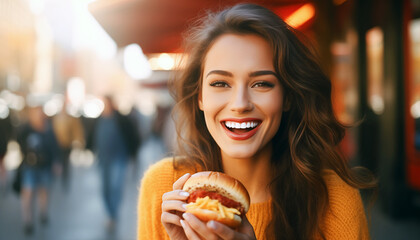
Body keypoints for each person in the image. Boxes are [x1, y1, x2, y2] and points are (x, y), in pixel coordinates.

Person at [137, 3, 376, 240]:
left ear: (288, 97)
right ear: (200, 96)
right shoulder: (164, 187)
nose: (240, 104)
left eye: (262, 84)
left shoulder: (335, 198)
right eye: (220, 83)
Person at [91, 95, 140, 232]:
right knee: (105, 189)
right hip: (103, 160)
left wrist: (133, 154)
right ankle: (110, 212)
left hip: (119, 158)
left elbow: (132, 135)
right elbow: (92, 136)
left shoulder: (121, 119)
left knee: (116, 187)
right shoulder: (99, 120)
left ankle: (113, 214)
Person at [17, 106, 60, 235]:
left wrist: (56, 162)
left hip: (44, 166)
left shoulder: (48, 129)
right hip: (30, 166)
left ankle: (43, 212)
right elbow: (19, 141)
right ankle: (28, 221)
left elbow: (55, 147)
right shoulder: (26, 129)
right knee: (28, 193)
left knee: (43, 191)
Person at [52, 97, 85, 191]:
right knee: (58, 162)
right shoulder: (56, 118)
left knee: (65, 163)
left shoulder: (71, 118)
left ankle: (65, 179)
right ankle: (58, 177)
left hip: (66, 145)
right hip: (57, 144)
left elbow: (76, 130)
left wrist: (78, 141)